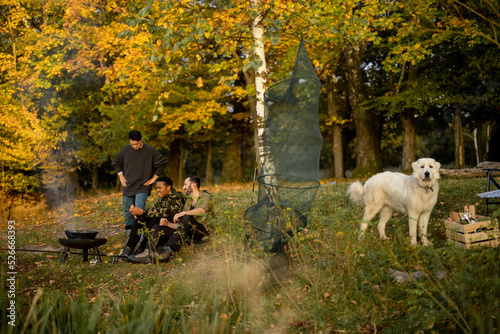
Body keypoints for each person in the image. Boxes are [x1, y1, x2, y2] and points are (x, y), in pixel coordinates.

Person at [128, 175, 214, 264]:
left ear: (193, 185)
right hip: (188, 234)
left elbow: (202, 210)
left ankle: (167, 251)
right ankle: (148, 253)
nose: (183, 188)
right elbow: (182, 226)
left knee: (187, 217)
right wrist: (168, 224)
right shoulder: (188, 201)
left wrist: (184, 213)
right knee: (158, 227)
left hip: (202, 233)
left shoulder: (205, 196)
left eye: (185, 185)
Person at [110, 176, 185, 263]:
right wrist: (138, 214)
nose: (157, 190)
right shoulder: (162, 198)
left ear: (168, 187)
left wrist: (143, 211)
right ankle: (127, 251)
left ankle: (142, 249)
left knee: (155, 219)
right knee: (138, 221)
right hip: (160, 226)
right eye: (156, 188)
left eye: (160, 188)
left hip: (171, 228)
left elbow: (167, 211)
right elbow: (153, 211)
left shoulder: (177, 196)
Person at [111, 130, 167, 240]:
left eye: (136, 144)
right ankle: (130, 240)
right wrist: (121, 175)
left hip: (143, 186)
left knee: (139, 211)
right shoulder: (125, 150)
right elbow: (115, 162)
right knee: (128, 213)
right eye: (132, 144)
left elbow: (163, 162)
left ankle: (141, 240)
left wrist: (153, 179)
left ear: (141, 140)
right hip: (128, 186)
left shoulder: (150, 150)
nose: (134, 146)